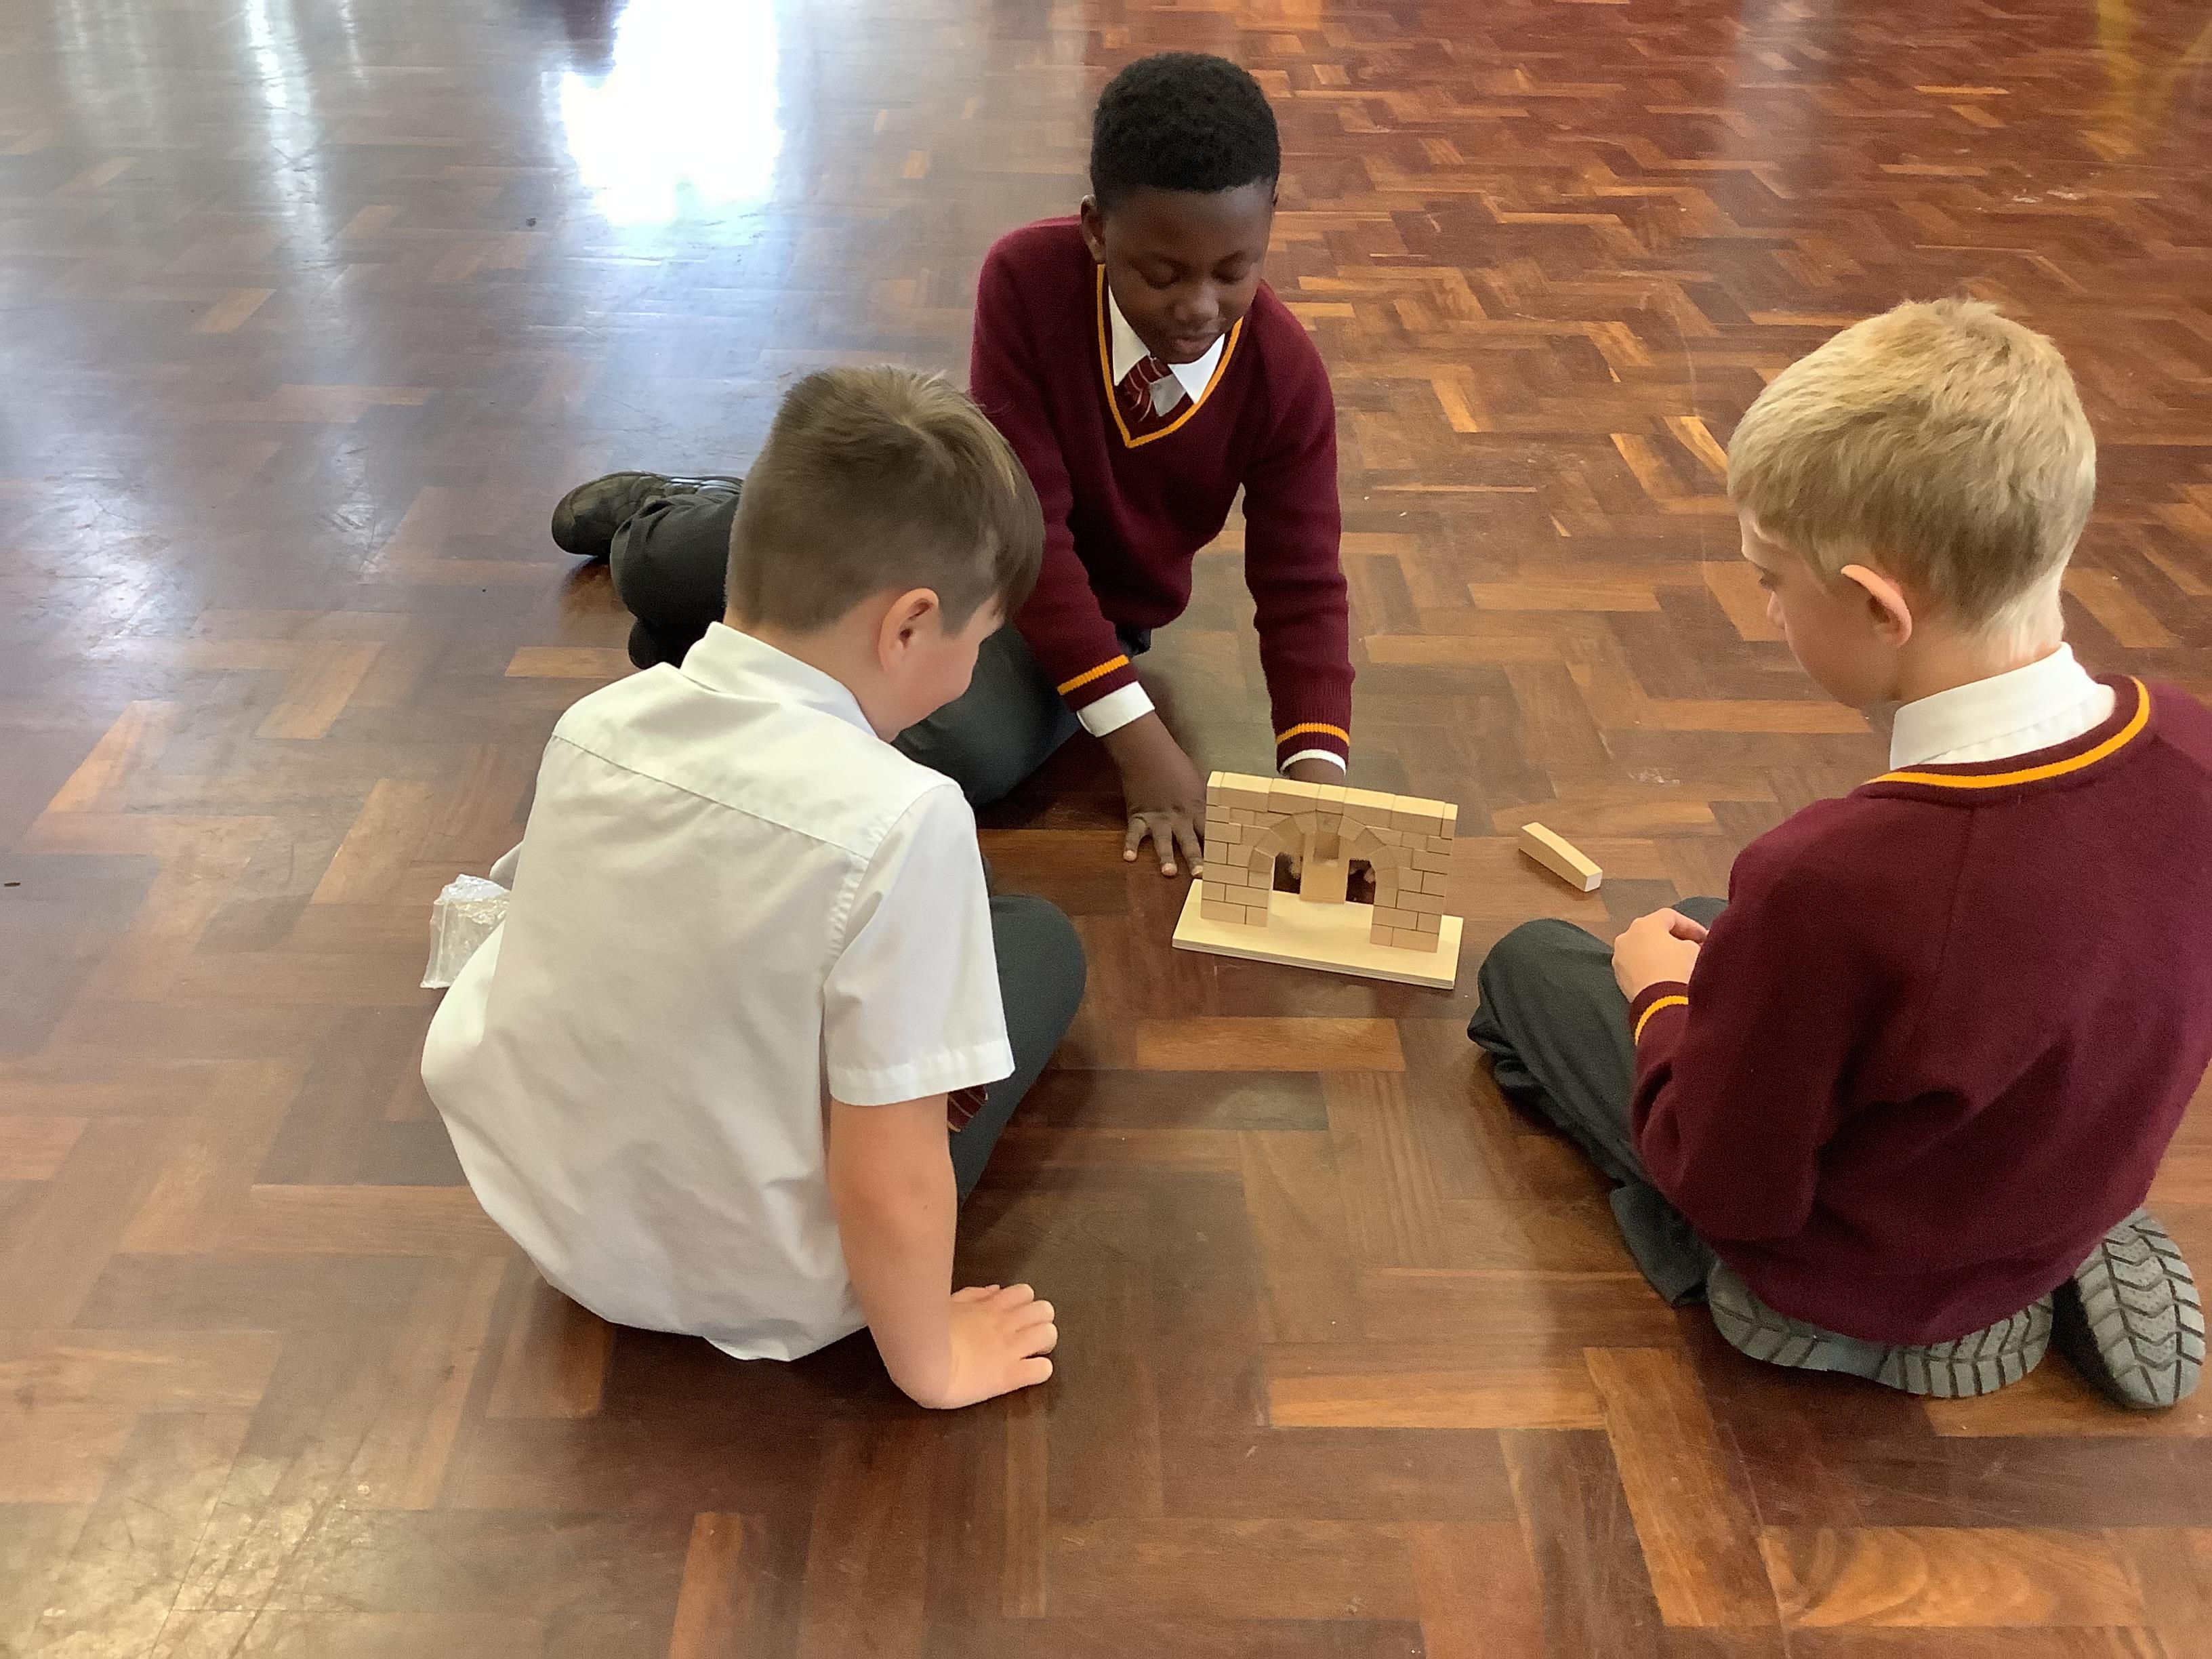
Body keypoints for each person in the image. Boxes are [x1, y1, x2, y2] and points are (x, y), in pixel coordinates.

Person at [1469, 299, 2212, 1408]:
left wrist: (1659, 1003)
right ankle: (2050, 1242)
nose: (1765, 609)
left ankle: (1820, 1312)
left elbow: (1730, 1182)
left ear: (1873, 605)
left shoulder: (1827, 881)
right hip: (2051, 1163)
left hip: (1841, 1261)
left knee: (1532, 966)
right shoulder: (2192, 747)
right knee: (1715, 925)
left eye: (1772, 579)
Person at [423, 367, 1087, 1410]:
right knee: (1042, 944)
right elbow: (890, 1177)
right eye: (981, 640)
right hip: (777, 1285)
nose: (974, 671)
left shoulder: (593, 725)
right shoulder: (911, 819)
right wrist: (933, 1364)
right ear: (909, 627)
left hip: (560, 1233)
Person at [548, 52, 1354, 876]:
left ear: (1269, 226)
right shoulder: (1026, 279)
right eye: (1161, 273)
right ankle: (677, 510)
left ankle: (702, 647)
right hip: (952, 532)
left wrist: (1317, 782)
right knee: (660, 569)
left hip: (1086, 612)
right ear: (1096, 230)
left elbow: (1302, 587)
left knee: (963, 754)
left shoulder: (1285, 378)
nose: (1199, 307)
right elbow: (1032, 520)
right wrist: (1143, 744)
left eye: (1235, 271)